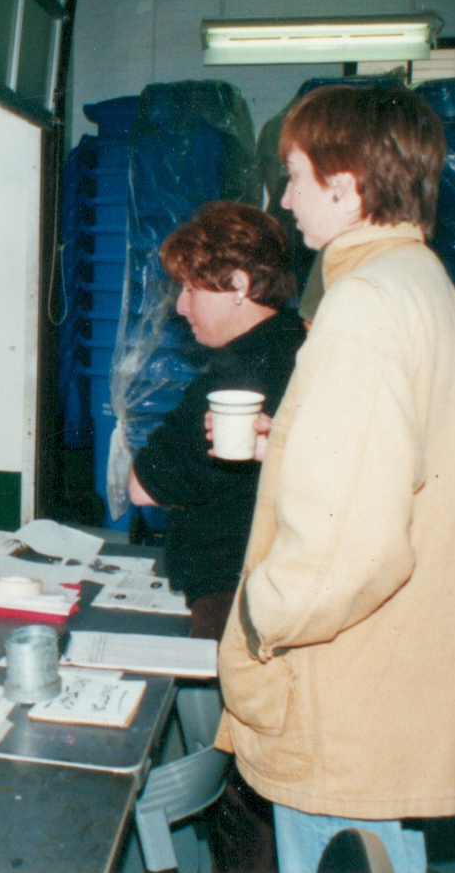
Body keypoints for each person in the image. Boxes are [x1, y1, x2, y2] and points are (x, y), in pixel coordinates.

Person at [215, 85, 455, 873]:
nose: (286, 198)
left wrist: (262, 620)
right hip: (385, 673)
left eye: (296, 175)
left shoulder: (361, 306)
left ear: (348, 183)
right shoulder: (421, 284)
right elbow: (398, 468)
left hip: (337, 684)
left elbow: (354, 546)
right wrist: (292, 448)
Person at [127, 200, 305, 640]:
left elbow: (144, 487)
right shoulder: (297, 338)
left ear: (239, 286)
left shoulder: (237, 379)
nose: (182, 307)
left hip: (231, 597)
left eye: (191, 290)